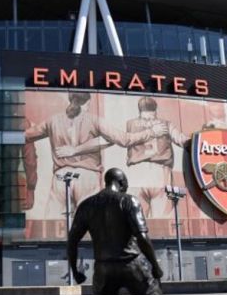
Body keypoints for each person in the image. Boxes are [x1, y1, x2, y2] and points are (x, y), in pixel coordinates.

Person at [25, 92, 167, 217]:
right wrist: (152, 132)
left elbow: (26, 136)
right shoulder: (94, 120)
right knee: (91, 225)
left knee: (53, 225)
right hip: (88, 177)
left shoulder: (53, 121)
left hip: (60, 178)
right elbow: (125, 139)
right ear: (87, 103)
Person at [68, 168, 166, 295]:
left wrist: (75, 271)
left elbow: (72, 240)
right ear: (122, 183)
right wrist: (155, 266)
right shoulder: (128, 201)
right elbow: (142, 236)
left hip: (103, 267)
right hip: (131, 263)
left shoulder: (86, 205)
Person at [125, 97, 188, 218]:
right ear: (155, 110)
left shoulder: (130, 124)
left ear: (139, 110)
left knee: (135, 221)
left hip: (135, 174)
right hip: (160, 173)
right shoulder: (165, 124)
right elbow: (181, 140)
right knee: (161, 221)